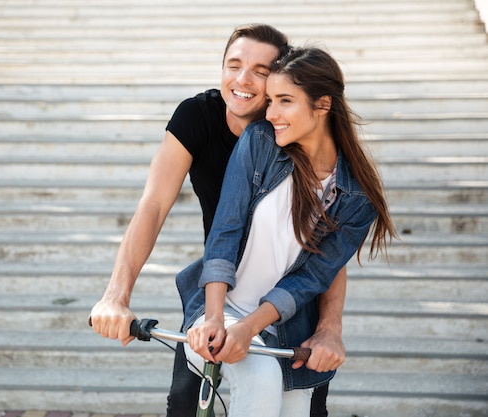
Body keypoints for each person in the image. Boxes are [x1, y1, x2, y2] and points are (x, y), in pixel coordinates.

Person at [89, 24, 346, 417]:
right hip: (220, 291)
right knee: (186, 404)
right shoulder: (199, 116)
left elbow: (325, 248)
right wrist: (116, 295)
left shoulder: (300, 137)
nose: (242, 80)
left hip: (293, 304)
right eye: (233, 65)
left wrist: (329, 326)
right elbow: (154, 204)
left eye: (260, 71)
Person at [183, 46, 398, 416]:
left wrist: (250, 328)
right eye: (270, 101)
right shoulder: (261, 143)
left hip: (286, 328)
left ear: (322, 105)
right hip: (218, 310)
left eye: (284, 101)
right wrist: (217, 319)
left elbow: (311, 279)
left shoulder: (357, 197)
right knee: (261, 378)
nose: (270, 114)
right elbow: (225, 231)